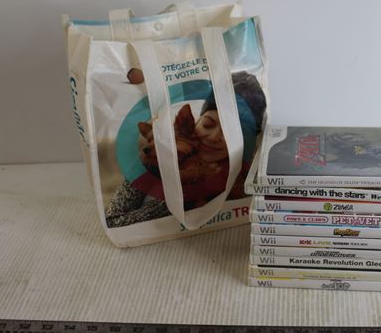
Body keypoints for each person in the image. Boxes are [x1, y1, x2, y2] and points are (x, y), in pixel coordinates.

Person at [105, 71, 265, 228]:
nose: (213, 137)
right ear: (195, 121)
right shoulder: (152, 160)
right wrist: (182, 200)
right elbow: (113, 221)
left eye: (230, 132)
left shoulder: (248, 175)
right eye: (207, 124)